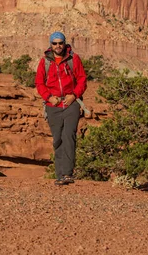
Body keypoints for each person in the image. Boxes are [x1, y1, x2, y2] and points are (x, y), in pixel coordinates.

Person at [35, 31, 87, 185]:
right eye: (55, 43)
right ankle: (59, 175)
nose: (58, 46)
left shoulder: (73, 59)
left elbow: (82, 80)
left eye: (60, 43)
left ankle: (67, 174)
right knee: (58, 139)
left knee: (69, 136)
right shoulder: (45, 61)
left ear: (65, 43)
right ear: (51, 45)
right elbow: (39, 83)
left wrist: (74, 95)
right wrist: (49, 97)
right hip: (53, 105)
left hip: (71, 103)